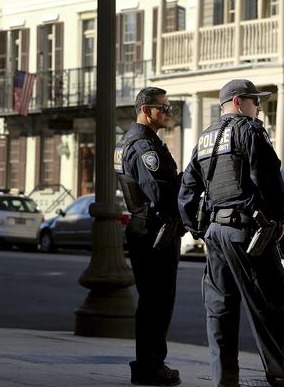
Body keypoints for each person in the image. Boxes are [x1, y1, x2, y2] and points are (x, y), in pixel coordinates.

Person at [178, 79, 284, 387]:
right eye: (254, 101)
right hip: (247, 233)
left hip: (216, 234)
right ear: (236, 102)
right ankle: (282, 378)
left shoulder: (204, 140)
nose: (259, 107)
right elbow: (268, 179)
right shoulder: (250, 131)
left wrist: (198, 228)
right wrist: (278, 219)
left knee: (220, 310)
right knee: (270, 306)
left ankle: (224, 380)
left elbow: (187, 190)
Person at [114, 87, 182, 386]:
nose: (169, 113)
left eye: (170, 108)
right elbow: (160, 194)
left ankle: (150, 363)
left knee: (152, 300)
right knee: (158, 301)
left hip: (146, 225)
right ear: (146, 110)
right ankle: (150, 366)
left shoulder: (133, 141)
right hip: (154, 227)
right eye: (164, 108)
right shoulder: (143, 146)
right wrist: (189, 182)